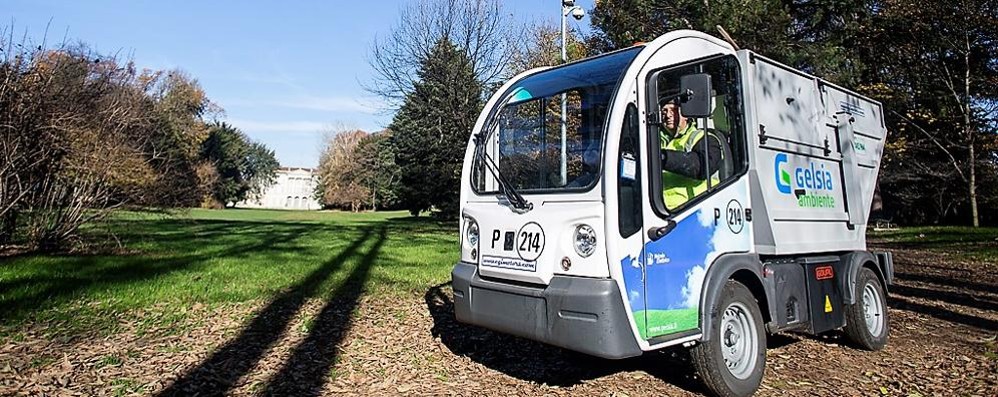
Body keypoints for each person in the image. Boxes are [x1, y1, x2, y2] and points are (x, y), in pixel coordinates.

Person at [659, 99, 722, 209]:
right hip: (662, 211)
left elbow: (703, 166)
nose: (668, 115)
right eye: (664, 111)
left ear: (686, 114)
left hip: (695, 210)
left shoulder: (704, 138)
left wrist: (664, 158)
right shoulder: (658, 143)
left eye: (673, 110)